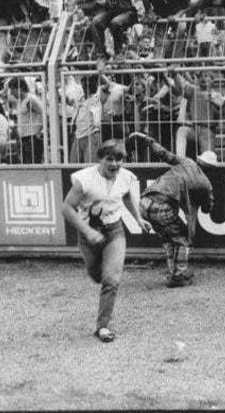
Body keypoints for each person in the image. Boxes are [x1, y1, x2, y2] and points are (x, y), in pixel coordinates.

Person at [61, 140, 151, 342]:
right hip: (88, 234)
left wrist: (137, 218)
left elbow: (127, 196)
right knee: (96, 274)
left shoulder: (126, 177)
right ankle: (97, 272)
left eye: (119, 159)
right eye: (110, 159)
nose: (115, 164)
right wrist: (87, 230)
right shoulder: (84, 180)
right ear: (100, 159)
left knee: (111, 279)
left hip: (114, 231)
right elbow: (67, 208)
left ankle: (102, 326)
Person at [128, 132, 215, 287]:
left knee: (168, 238)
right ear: (211, 169)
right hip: (162, 205)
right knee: (182, 239)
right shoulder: (205, 184)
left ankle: (173, 272)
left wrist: (148, 139)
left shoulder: (187, 162)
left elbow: (163, 154)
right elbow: (208, 208)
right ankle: (179, 274)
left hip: (145, 201)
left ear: (199, 160)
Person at [88, 0, 152, 59]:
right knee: (96, 21)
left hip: (129, 12)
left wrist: (148, 14)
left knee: (115, 22)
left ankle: (119, 51)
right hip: (114, 12)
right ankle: (101, 55)